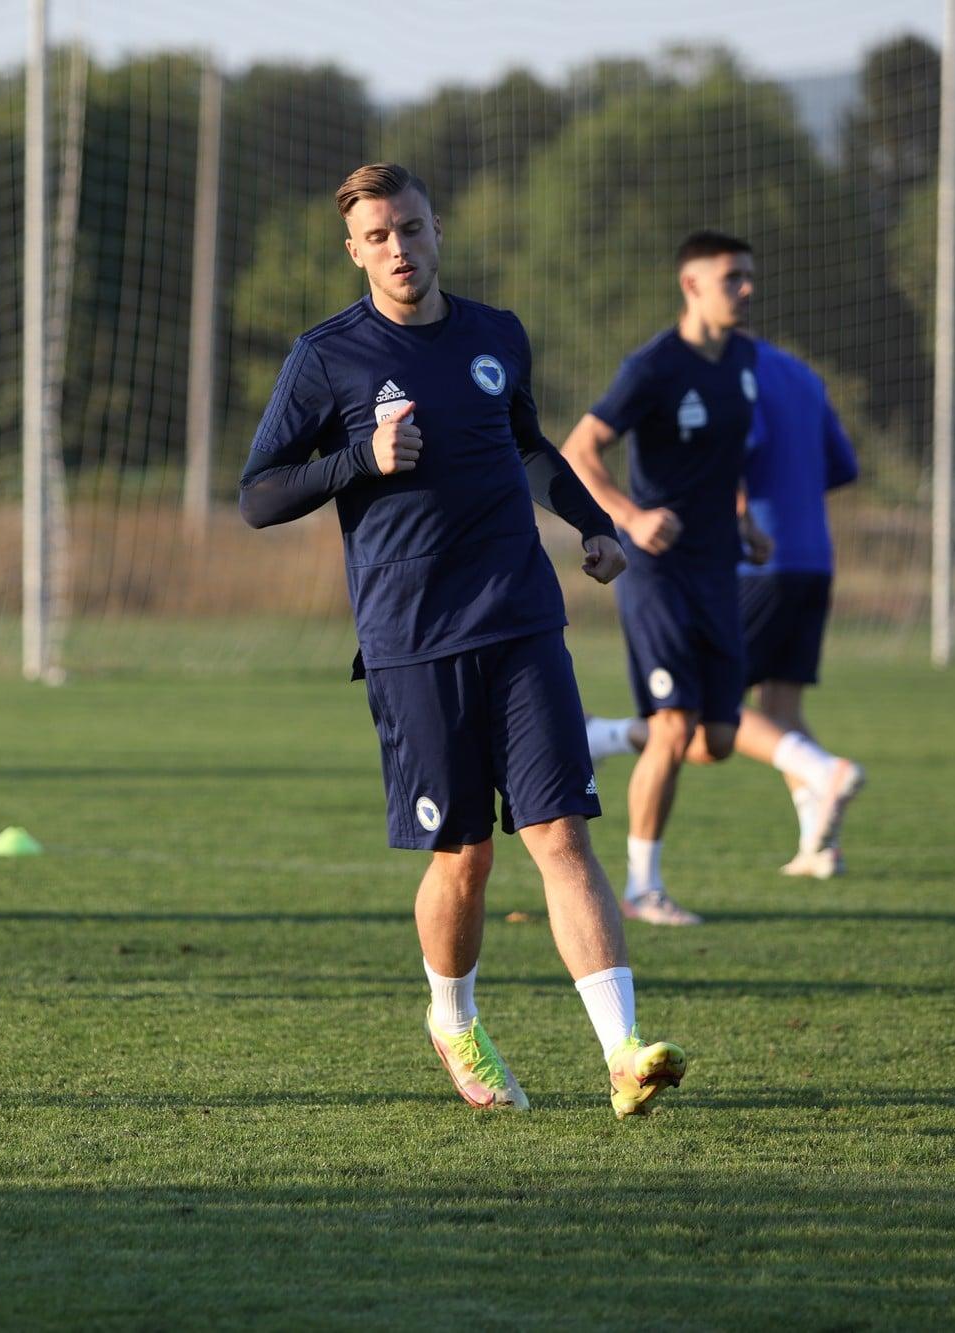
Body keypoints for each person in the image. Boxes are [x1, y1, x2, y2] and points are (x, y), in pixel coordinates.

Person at [240, 163, 686, 1118]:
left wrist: (589, 522)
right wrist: (361, 458)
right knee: (466, 857)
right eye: (378, 236)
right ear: (354, 250)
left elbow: (528, 443)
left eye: (411, 228)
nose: (399, 248)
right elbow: (258, 494)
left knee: (560, 832)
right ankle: (453, 1019)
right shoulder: (328, 357)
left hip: (522, 618)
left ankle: (623, 1055)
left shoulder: (496, 334)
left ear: (437, 230)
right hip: (410, 638)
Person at [586, 341, 865, 879]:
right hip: (814, 559)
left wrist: (743, 516)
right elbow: (841, 466)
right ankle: (818, 844)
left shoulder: (729, 372)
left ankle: (822, 770)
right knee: (780, 707)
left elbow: (728, 459)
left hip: (749, 561)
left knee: (696, 718)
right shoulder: (805, 373)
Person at [560, 231, 773, 928]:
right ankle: (643, 887)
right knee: (677, 728)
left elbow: (726, 454)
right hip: (657, 573)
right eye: (730, 278)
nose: (745, 288)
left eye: (748, 276)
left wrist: (743, 518)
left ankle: (608, 734)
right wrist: (628, 515)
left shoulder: (743, 360)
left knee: (713, 736)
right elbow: (579, 448)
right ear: (691, 286)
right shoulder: (653, 366)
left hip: (719, 567)